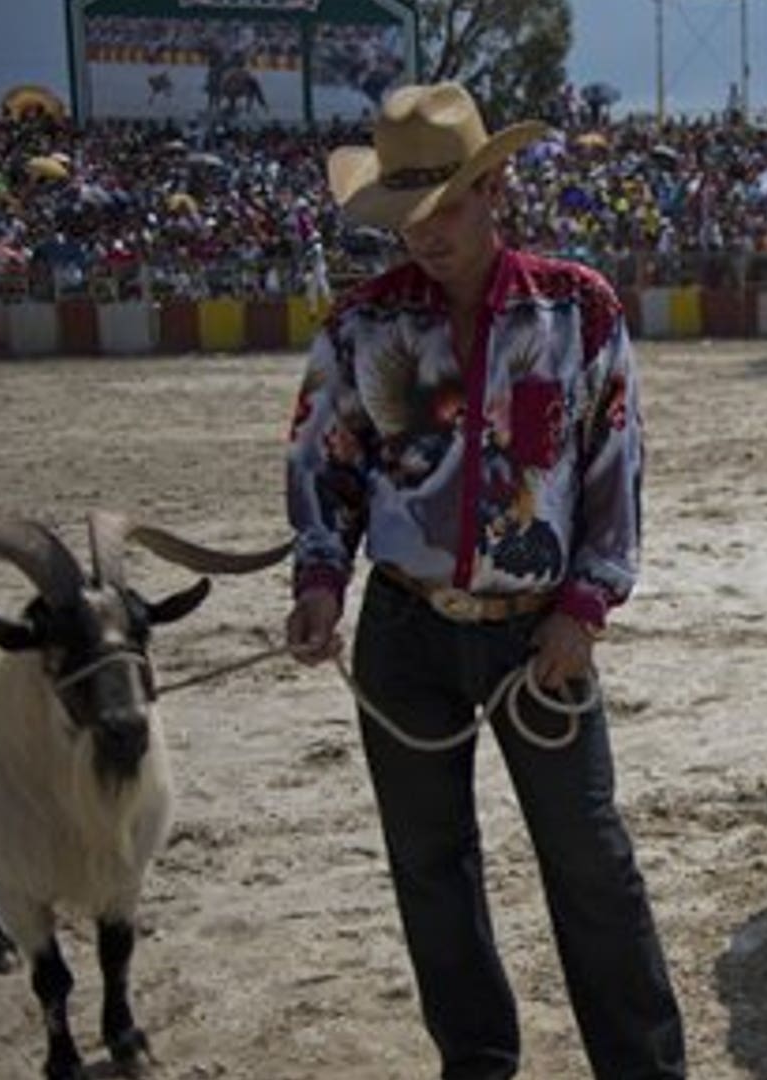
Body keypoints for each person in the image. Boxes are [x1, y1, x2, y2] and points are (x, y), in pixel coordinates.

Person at [282, 82, 685, 1079]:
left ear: (494, 186)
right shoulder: (358, 327)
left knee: (591, 861)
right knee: (430, 867)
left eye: (445, 206)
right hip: (402, 633)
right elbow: (324, 465)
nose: (423, 232)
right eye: (403, 214)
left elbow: (612, 464)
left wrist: (586, 607)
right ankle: (478, 1062)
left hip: (539, 632)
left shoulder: (579, 309)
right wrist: (320, 581)